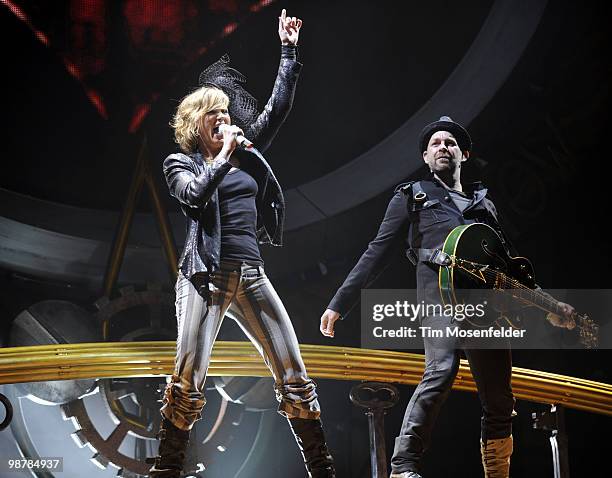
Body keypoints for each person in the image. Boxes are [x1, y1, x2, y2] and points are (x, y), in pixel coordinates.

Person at [319, 116, 576, 478]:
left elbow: (511, 268)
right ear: (426, 157)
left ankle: (497, 472)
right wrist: (339, 304)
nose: (443, 147)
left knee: (500, 397)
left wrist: (550, 305)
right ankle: (403, 466)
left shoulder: (483, 203)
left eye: (450, 143)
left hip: (486, 306)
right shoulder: (412, 196)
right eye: (436, 143)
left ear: (464, 154)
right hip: (440, 301)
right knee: (440, 371)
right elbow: (376, 251)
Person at [148, 10, 335, 478]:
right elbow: (192, 197)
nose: (227, 121)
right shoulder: (181, 163)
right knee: (188, 377)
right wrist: (224, 157)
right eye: (217, 115)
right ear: (197, 123)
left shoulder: (247, 158)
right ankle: (169, 467)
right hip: (205, 280)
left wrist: (288, 50)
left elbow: (279, 107)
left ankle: (322, 467)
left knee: (294, 371)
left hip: (252, 276)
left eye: (229, 115)